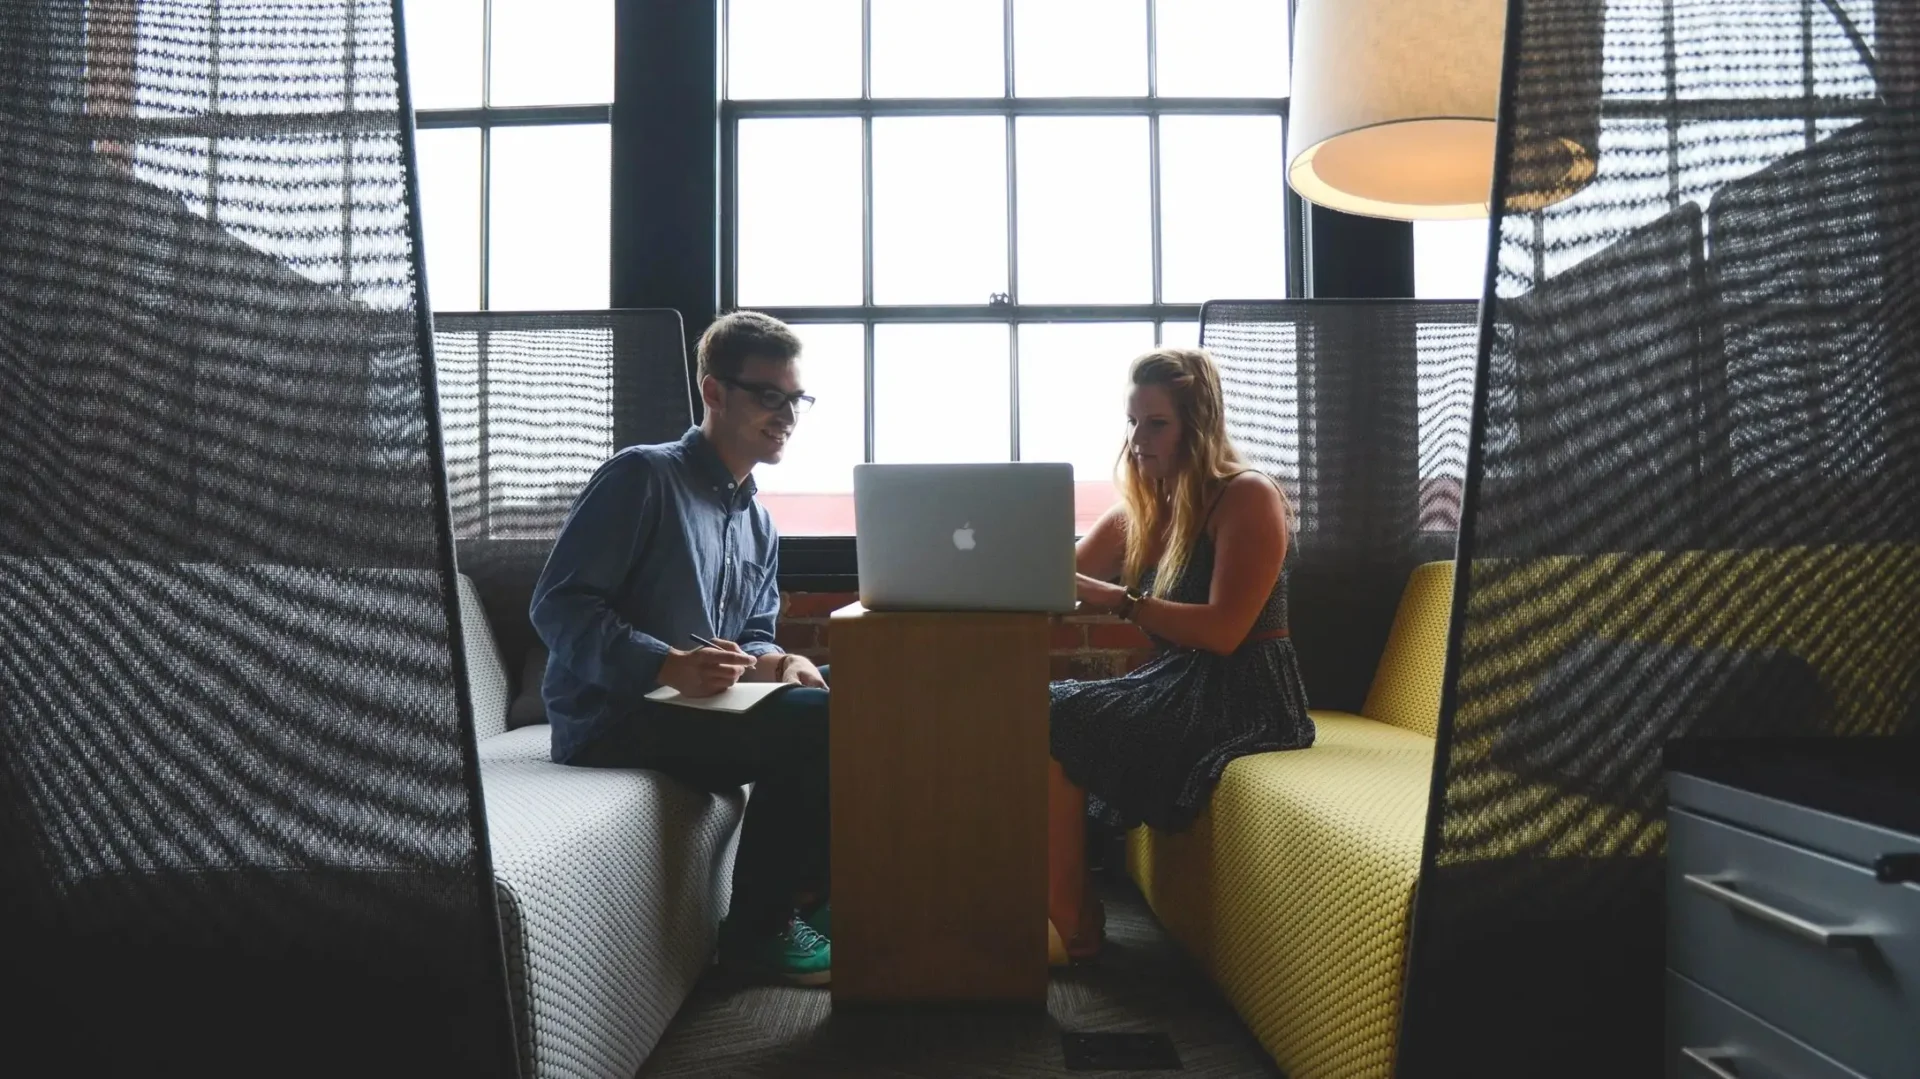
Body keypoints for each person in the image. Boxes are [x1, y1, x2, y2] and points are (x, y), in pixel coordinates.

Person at [529, 310, 834, 986]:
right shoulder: (642, 476)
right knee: (820, 724)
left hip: (702, 709)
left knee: (853, 691)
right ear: (715, 391)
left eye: (796, 399)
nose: (786, 415)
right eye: (769, 396)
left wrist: (779, 661)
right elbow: (558, 604)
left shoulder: (758, 521)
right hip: (614, 716)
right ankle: (757, 931)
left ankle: (820, 894)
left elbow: (753, 631)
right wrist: (665, 664)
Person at [1046, 347, 1314, 963]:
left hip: (1246, 691)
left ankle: (1071, 921)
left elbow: (1224, 632)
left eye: (1156, 423)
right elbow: (1054, 582)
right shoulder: (1142, 509)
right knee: (1041, 710)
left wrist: (1121, 601)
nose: (1138, 439)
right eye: (1132, 422)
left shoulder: (1246, 497)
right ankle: (1069, 909)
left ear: (1198, 425)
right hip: (1177, 681)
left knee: (1054, 714)